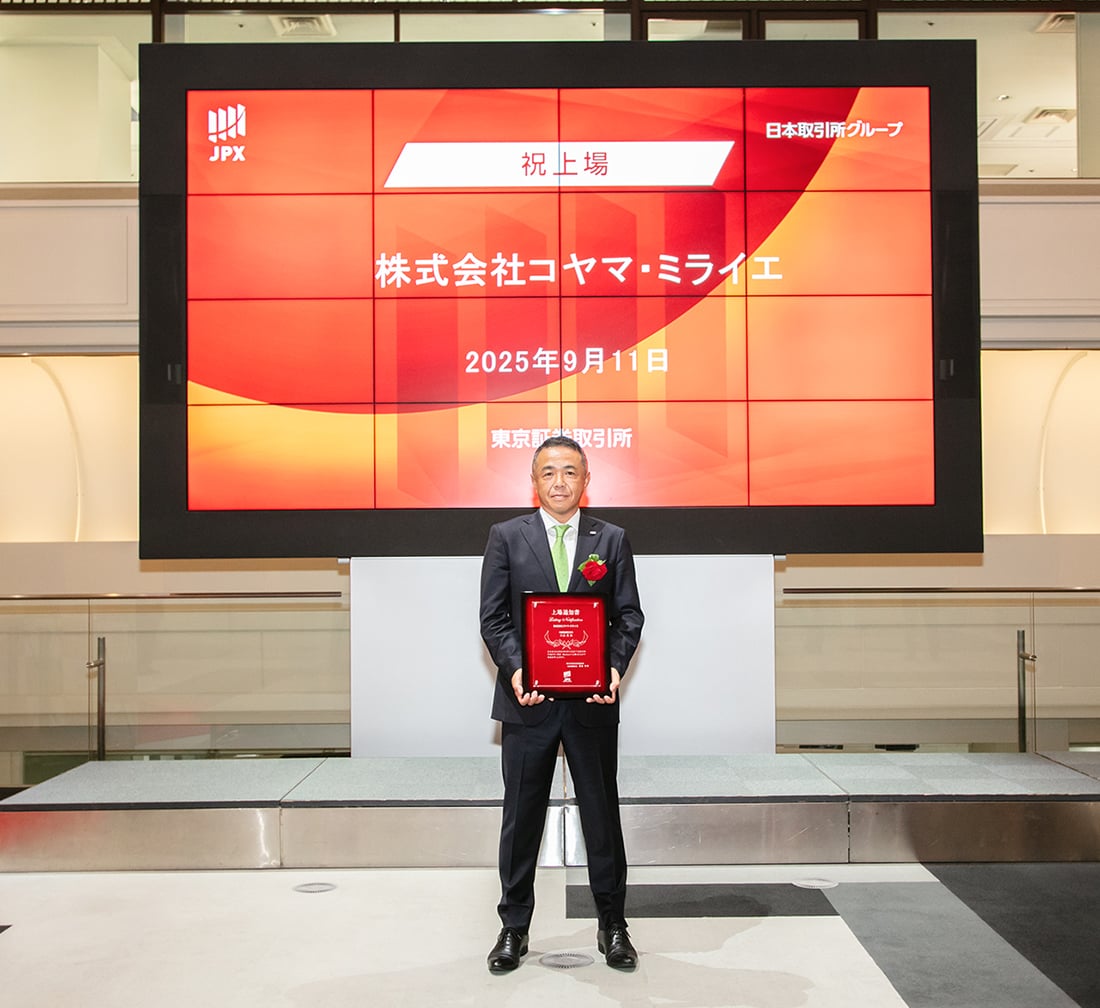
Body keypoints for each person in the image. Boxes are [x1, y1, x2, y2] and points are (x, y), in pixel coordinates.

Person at [479, 434, 644, 973]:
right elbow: (494, 618)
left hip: (592, 701)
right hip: (527, 701)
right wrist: (517, 670)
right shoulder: (506, 537)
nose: (559, 482)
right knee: (520, 819)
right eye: (548, 472)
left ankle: (613, 925)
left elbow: (628, 616)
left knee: (601, 817)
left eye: (570, 472)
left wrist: (612, 669)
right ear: (534, 481)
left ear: (586, 480)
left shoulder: (611, 539)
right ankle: (513, 928)